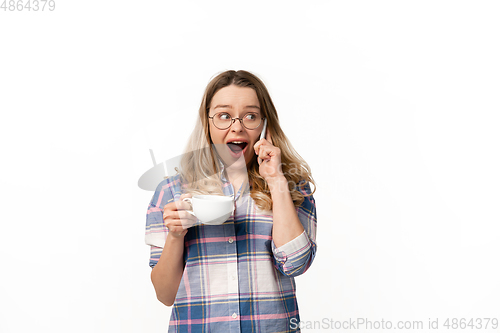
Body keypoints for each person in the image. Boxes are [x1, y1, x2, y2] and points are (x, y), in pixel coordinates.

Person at [145, 70, 317, 332]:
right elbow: (165, 295)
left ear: (265, 124)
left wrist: (276, 181)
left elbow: (296, 264)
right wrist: (176, 236)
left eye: (250, 116)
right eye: (224, 116)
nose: (237, 126)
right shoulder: (171, 191)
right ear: (208, 122)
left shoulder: (292, 186)